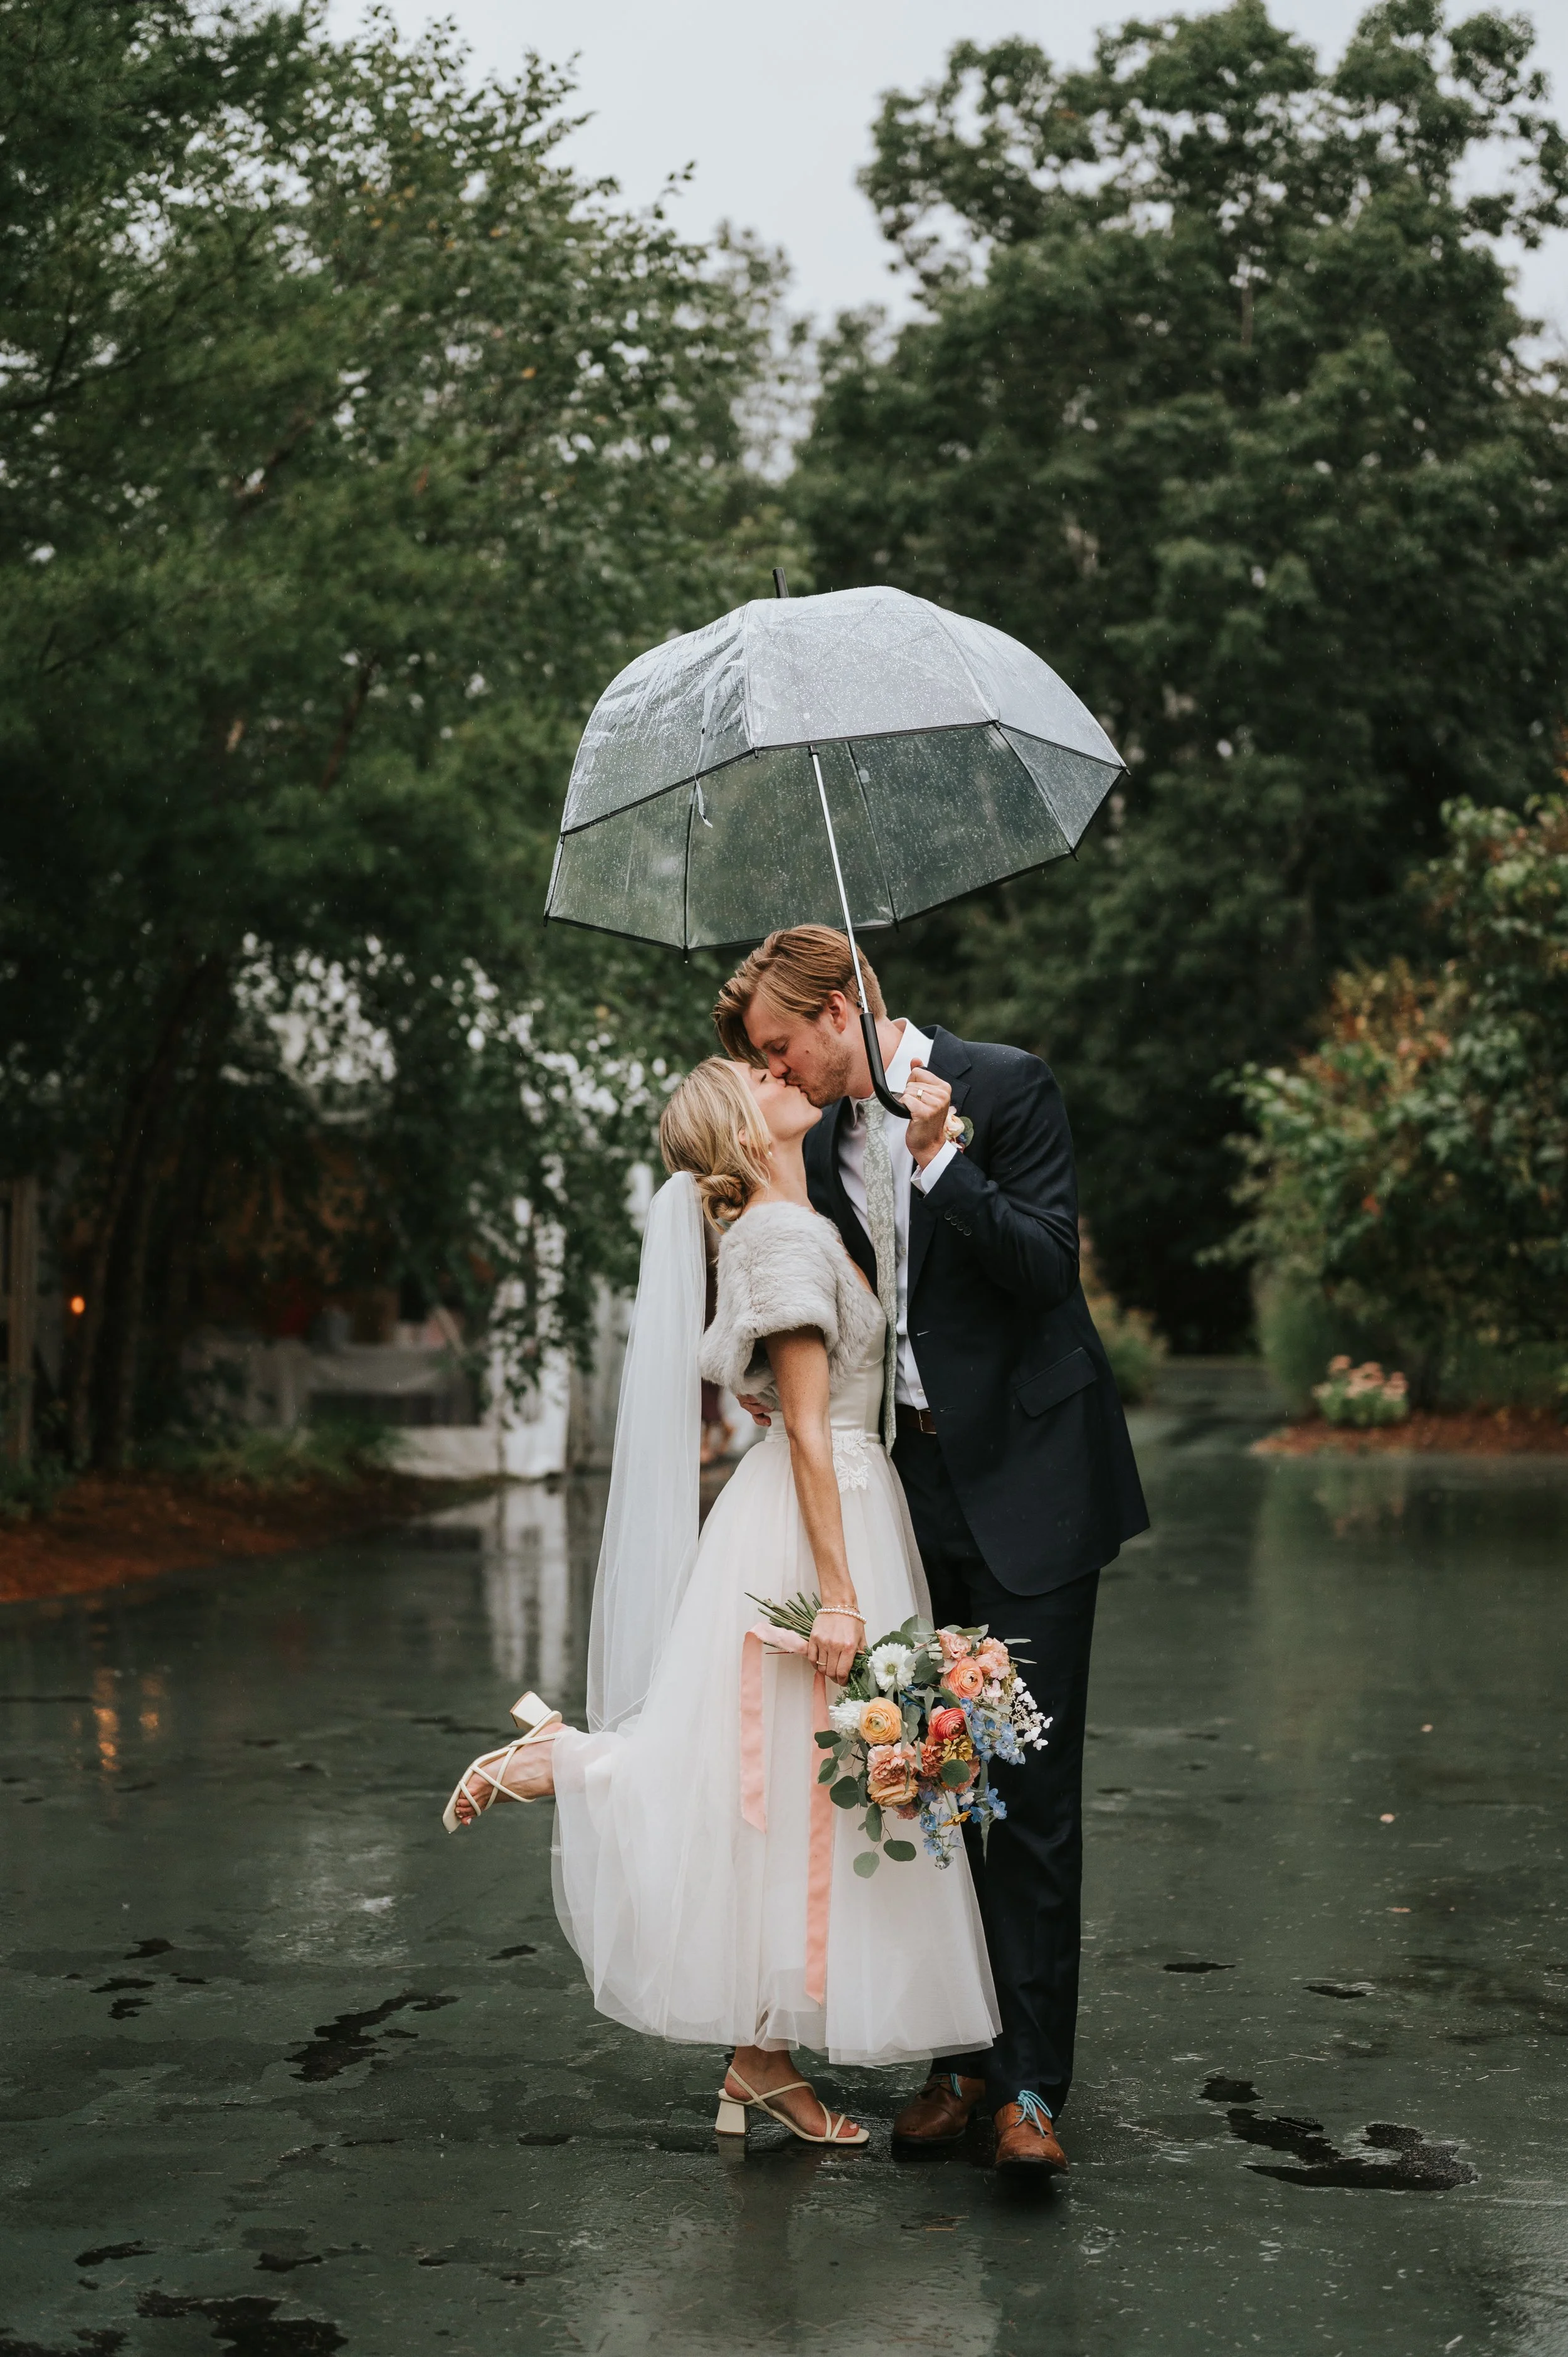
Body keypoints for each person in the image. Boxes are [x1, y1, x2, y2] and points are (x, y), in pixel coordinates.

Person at [443, 1056, 998, 2147]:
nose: (782, 1070)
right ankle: (564, 1762)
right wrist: (840, 1598)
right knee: (769, 1774)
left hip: (824, 1499)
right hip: (816, 1516)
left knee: (787, 1789)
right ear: (741, 1128)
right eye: (759, 1072)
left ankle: (760, 2060)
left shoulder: (794, 1220)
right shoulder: (780, 1236)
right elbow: (800, 1423)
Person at [713, 925, 1148, 2175]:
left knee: (1032, 1795)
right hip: (910, 1496)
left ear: (841, 1009)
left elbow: (1040, 1273)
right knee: (929, 1782)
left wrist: (941, 1160)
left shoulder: (1005, 1087)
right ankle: (954, 2063)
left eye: (782, 1047)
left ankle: (1029, 2094)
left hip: (1036, 1489)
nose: (776, 1074)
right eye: (762, 1059)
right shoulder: (819, 1141)